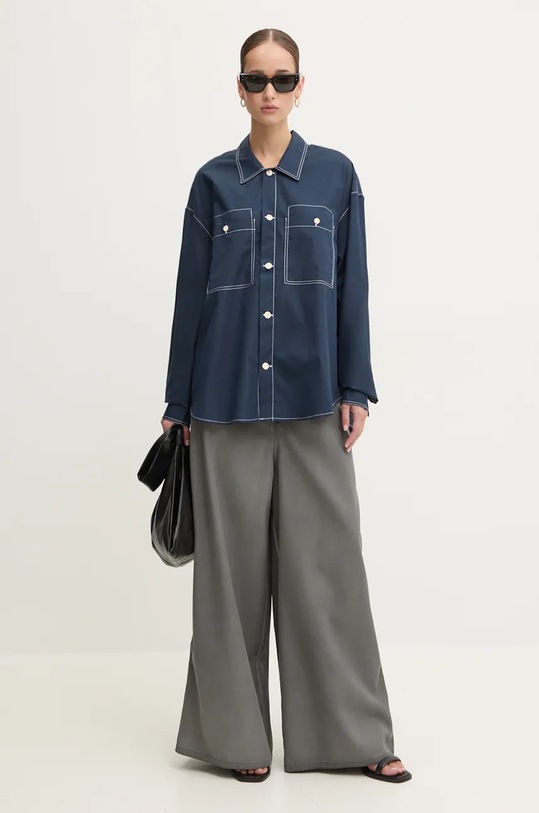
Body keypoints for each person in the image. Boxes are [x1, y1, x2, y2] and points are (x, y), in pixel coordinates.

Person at [160, 27, 412, 784]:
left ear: (301, 87)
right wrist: (179, 403)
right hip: (223, 404)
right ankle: (235, 742)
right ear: (238, 89)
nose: (267, 91)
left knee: (327, 572)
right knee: (229, 582)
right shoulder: (212, 183)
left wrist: (355, 386)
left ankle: (355, 737)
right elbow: (189, 297)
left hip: (313, 402)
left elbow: (353, 287)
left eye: (281, 78)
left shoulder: (335, 176)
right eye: (254, 79)